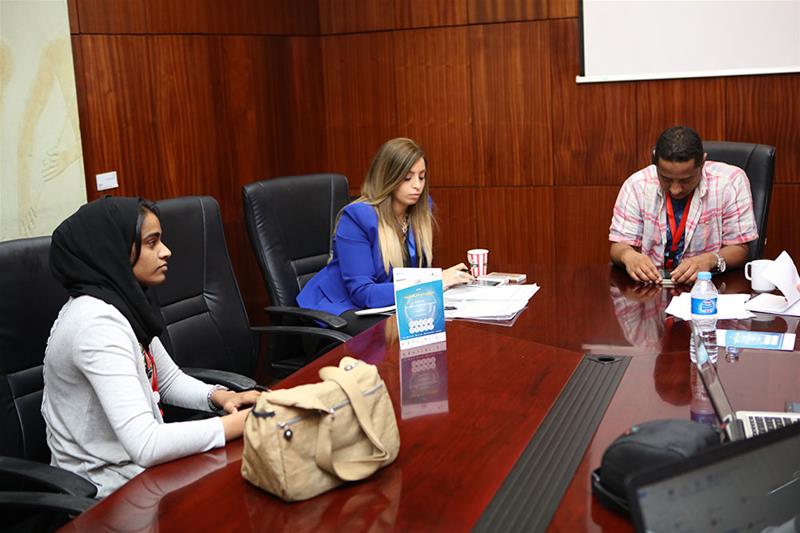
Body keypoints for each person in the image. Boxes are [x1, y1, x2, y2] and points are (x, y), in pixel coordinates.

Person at [42, 196, 261, 498]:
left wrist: (220, 397)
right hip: (105, 495)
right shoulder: (95, 325)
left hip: (139, 473)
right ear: (114, 251)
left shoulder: (121, 304)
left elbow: (167, 380)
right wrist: (242, 422)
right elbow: (146, 443)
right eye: (151, 242)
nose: (165, 251)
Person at [297, 138, 472, 336]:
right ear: (387, 178)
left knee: (447, 324)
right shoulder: (357, 218)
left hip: (387, 305)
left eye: (422, 177)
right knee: (406, 332)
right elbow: (363, 293)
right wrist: (435, 282)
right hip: (341, 308)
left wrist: (443, 282)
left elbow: (413, 273)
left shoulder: (419, 210)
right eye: (407, 178)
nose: (417, 186)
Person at [609, 126, 758, 285]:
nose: (675, 189)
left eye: (686, 180)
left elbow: (741, 249)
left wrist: (711, 260)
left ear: (703, 162)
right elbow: (618, 246)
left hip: (708, 288)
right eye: (666, 179)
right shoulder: (637, 185)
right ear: (655, 163)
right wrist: (628, 256)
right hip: (652, 287)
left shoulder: (730, 182)